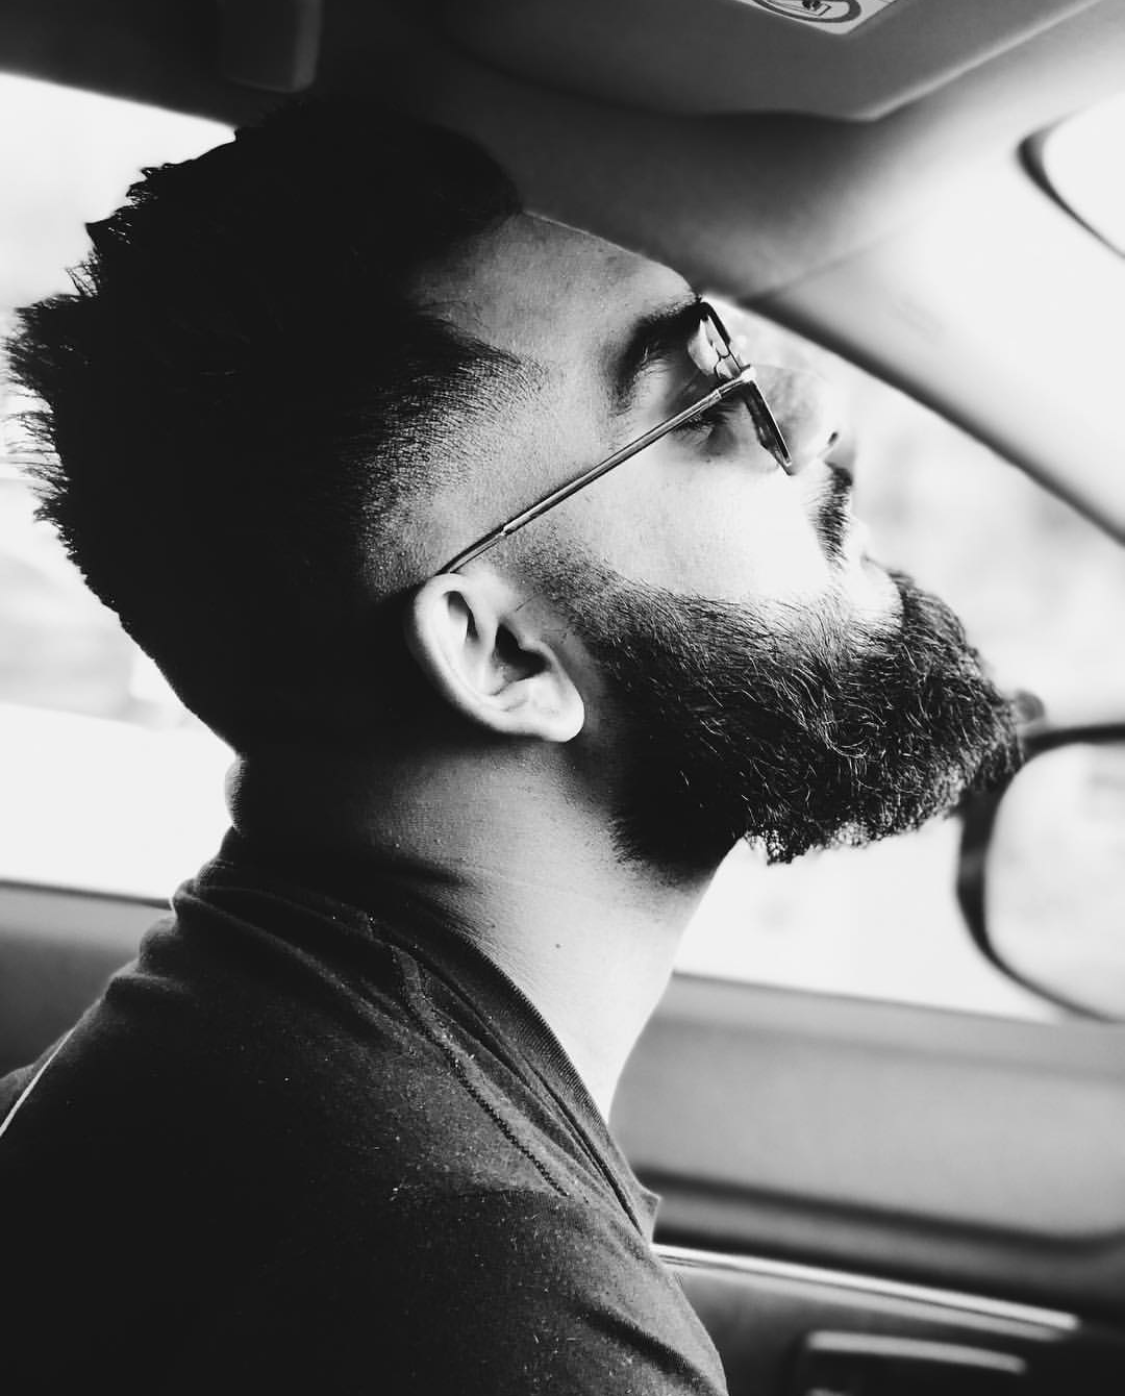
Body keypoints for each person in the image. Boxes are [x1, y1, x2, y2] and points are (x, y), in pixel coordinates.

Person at [0, 100, 1018, 1393]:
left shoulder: (230, 1075)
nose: (821, 421)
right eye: (709, 401)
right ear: (506, 657)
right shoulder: (482, 1300)